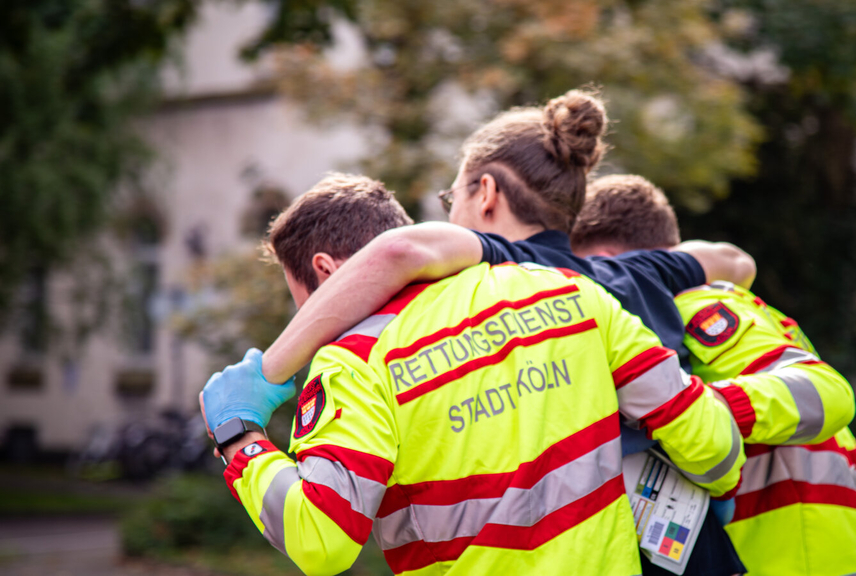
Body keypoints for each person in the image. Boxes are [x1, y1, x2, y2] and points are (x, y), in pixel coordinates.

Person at [258, 88, 750, 575]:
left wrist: (266, 375)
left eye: (452, 197)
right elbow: (735, 261)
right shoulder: (637, 272)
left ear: (487, 194)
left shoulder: (519, 276)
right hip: (693, 533)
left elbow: (399, 252)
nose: (449, 214)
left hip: (602, 535)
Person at [570, 174, 856, 576]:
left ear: (615, 261)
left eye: (589, 274)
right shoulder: (745, 310)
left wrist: (693, 410)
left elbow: (825, 391)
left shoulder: (692, 307)